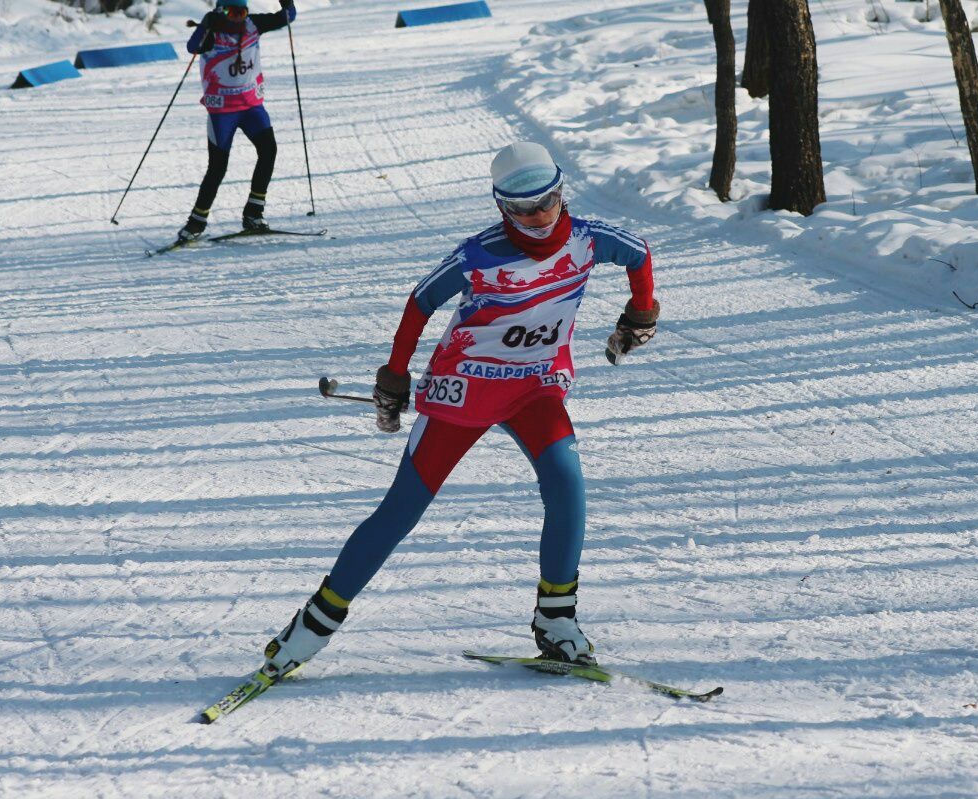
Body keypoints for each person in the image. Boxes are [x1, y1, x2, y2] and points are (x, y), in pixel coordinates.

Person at [260, 141, 660, 677]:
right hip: (463, 391)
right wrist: (395, 377)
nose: (539, 219)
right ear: (501, 208)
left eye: (548, 202)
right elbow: (420, 301)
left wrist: (638, 315)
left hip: (534, 390)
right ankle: (311, 627)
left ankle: (557, 622)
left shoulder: (588, 239)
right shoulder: (479, 254)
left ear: (562, 194)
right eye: (522, 210)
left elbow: (639, 255)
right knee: (402, 510)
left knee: (568, 488)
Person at [179, 0, 296, 242]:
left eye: (243, 12)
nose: (239, 18)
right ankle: (195, 224)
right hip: (222, 112)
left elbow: (288, 16)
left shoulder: (253, 24)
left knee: (269, 151)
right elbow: (193, 47)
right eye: (233, 12)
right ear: (222, 12)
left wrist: (288, 3)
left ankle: (253, 213)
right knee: (218, 168)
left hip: (252, 107)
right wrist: (205, 25)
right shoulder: (212, 30)